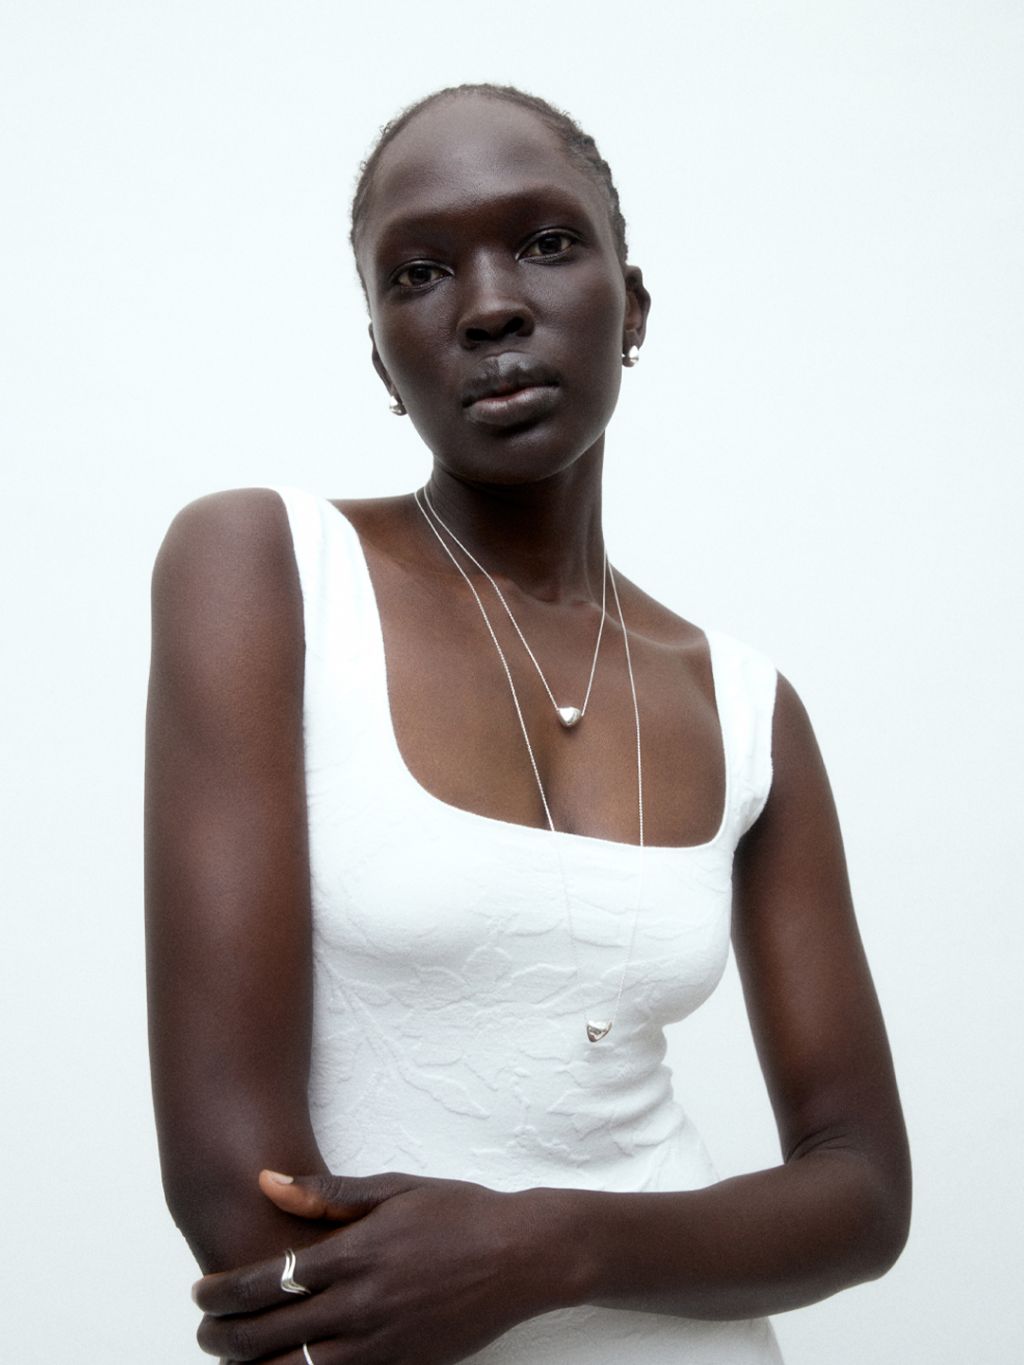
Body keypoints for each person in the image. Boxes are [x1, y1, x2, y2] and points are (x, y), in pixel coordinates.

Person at [145, 83, 910, 1365]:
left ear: (634, 307)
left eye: (547, 243)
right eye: (419, 273)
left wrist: (547, 1247)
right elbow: (239, 1198)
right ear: (383, 359)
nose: (489, 304)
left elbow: (862, 1194)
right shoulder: (265, 571)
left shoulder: (744, 704)